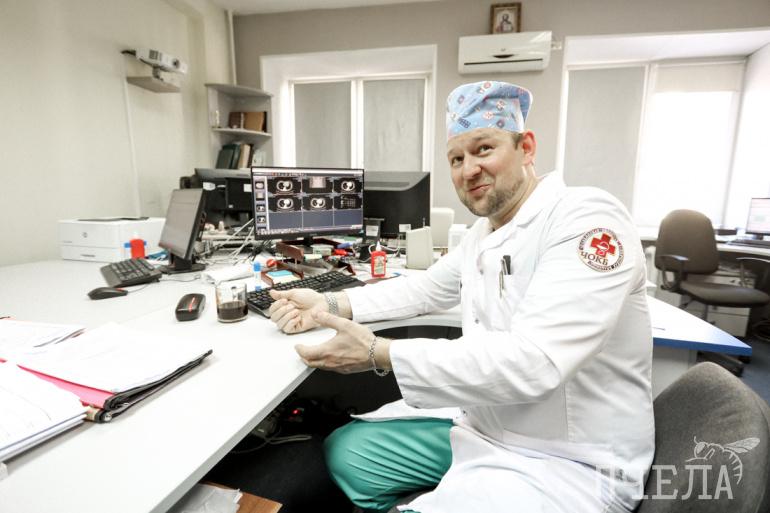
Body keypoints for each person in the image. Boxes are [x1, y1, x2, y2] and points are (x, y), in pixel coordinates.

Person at [268, 81, 654, 513]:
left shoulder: (587, 219)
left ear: (526, 148)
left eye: (483, 149)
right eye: (456, 158)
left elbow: (535, 363)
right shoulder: (485, 231)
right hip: (487, 425)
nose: (468, 170)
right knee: (347, 454)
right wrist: (329, 304)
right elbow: (426, 287)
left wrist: (379, 352)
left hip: (569, 459)